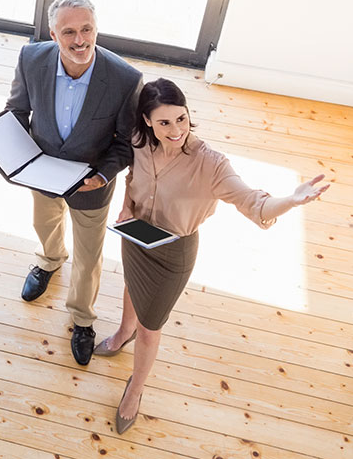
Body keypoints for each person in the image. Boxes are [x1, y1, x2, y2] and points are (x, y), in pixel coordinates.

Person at [96, 78, 329, 433]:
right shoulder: (138, 142)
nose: (175, 130)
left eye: (181, 119)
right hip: (136, 235)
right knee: (131, 286)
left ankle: (135, 389)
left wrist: (291, 200)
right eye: (164, 122)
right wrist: (127, 207)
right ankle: (122, 331)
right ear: (146, 121)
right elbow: (132, 178)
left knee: (150, 329)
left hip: (173, 254)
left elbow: (255, 203)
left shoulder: (212, 164)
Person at [6, 0, 142, 366]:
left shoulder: (125, 79)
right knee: (44, 224)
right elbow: (17, 110)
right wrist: (15, 156)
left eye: (87, 29)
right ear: (54, 34)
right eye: (69, 32)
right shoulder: (31, 59)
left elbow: (126, 144)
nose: (80, 40)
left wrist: (102, 177)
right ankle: (49, 260)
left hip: (91, 184)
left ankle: (82, 318)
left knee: (88, 256)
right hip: (42, 173)